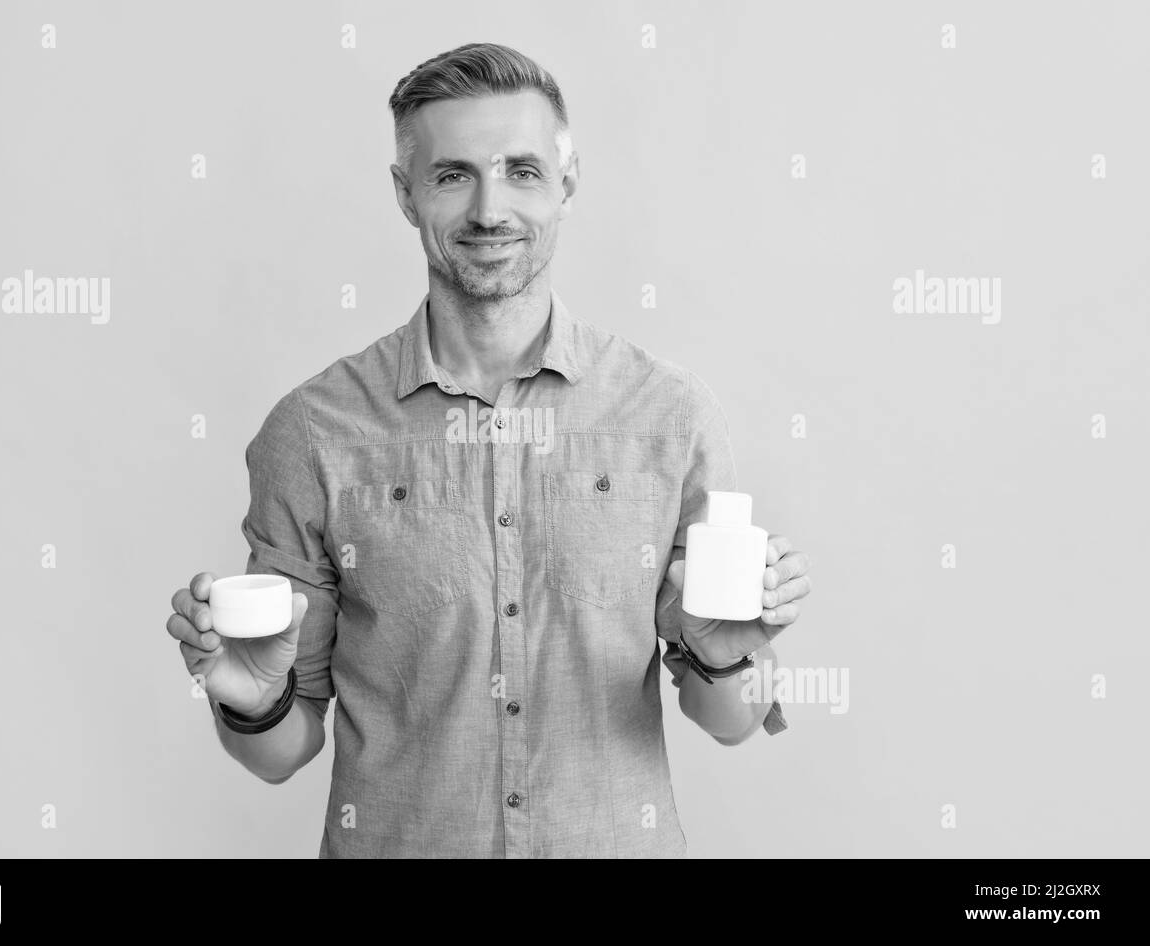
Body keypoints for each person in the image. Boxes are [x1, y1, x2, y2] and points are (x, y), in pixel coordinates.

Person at [166, 42, 813, 858]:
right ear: (405, 194)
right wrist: (251, 701)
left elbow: (731, 721)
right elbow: (283, 747)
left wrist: (723, 663)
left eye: (523, 171)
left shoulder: (670, 417)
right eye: (452, 175)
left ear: (567, 184)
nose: (489, 209)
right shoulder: (312, 431)